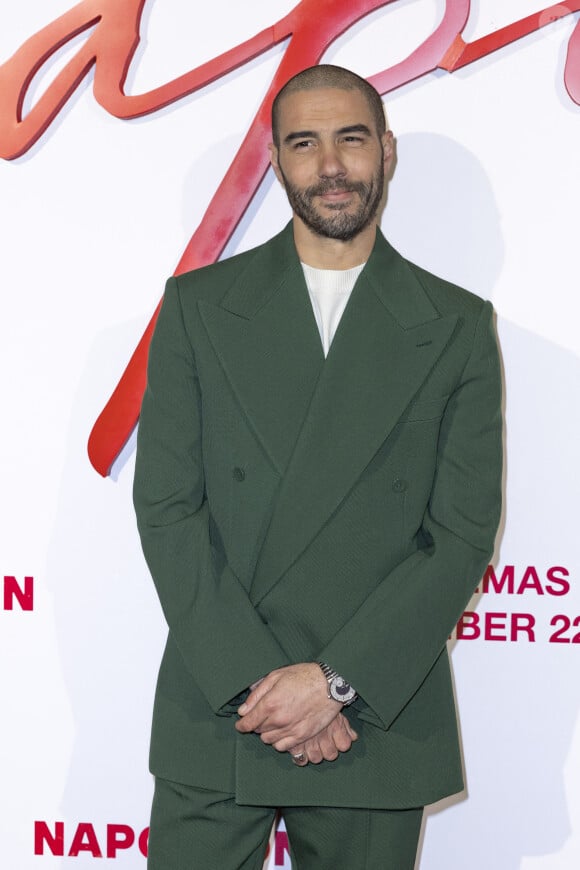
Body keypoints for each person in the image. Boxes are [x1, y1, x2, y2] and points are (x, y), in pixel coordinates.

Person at [133, 64, 503, 869]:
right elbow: (168, 509)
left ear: (387, 152)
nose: (330, 165)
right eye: (304, 143)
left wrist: (336, 684)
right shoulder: (198, 308)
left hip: (372, 714)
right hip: (221, 704)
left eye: (351, 139)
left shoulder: (457, 326)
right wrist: (262, 687)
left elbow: (462, 531)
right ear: (275, 160)